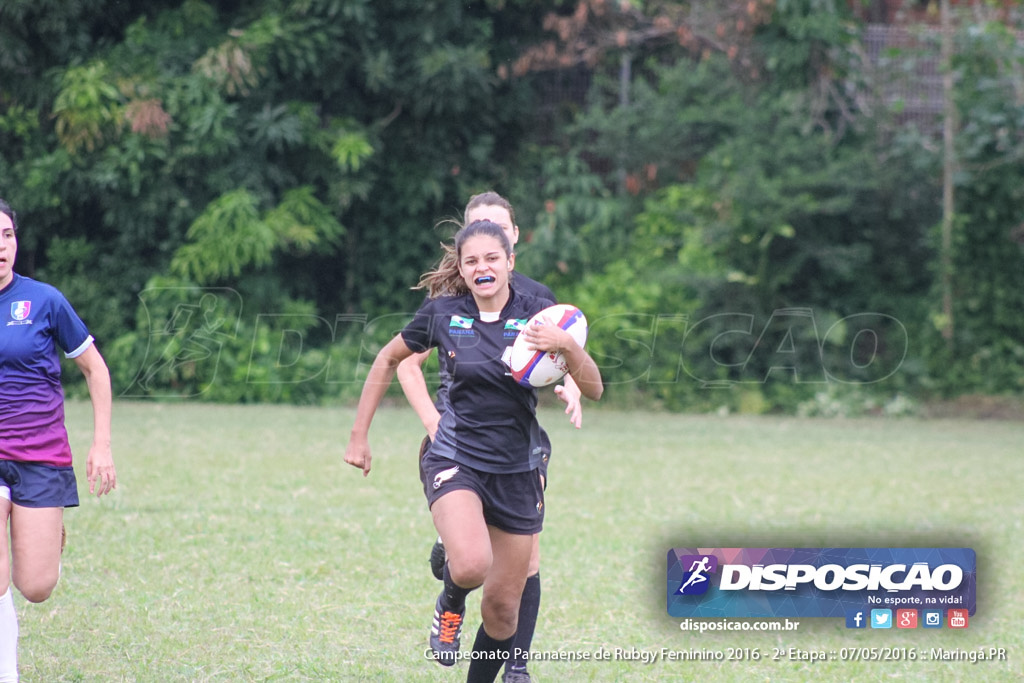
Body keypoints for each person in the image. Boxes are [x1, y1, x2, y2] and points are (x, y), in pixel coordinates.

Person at [344, 220, 602, 683]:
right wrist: (359, 435)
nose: (482, 268)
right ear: (461, 270)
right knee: (468, 563)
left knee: (504, 610)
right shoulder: (443, 314)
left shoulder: (541, 316)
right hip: (455, 457)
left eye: (491, 259)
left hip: (517, 469)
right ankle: (449, 603)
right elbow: (388, 358)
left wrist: (567, 346)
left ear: (510, 263)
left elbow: (595, 388)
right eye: (472, 261)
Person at [396, 192, 581, 683]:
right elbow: (404, 365)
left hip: (518, 445)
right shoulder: (445, 303)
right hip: (460, 439)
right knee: (475, 561)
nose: (485, 241)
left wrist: (574, 386)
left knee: (524, 566)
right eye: (475, 231)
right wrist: (433, 421)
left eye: (496, 231)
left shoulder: (538, 300)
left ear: (513, 239)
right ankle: (456, 564)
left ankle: (514, 663)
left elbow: (557, 359)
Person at [0, 198, 117, 682]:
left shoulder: (45, 300)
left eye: (6, 235)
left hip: (42, 457)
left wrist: (101, 444)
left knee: (36, 585)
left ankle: (42, 536)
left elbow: (95, 368)